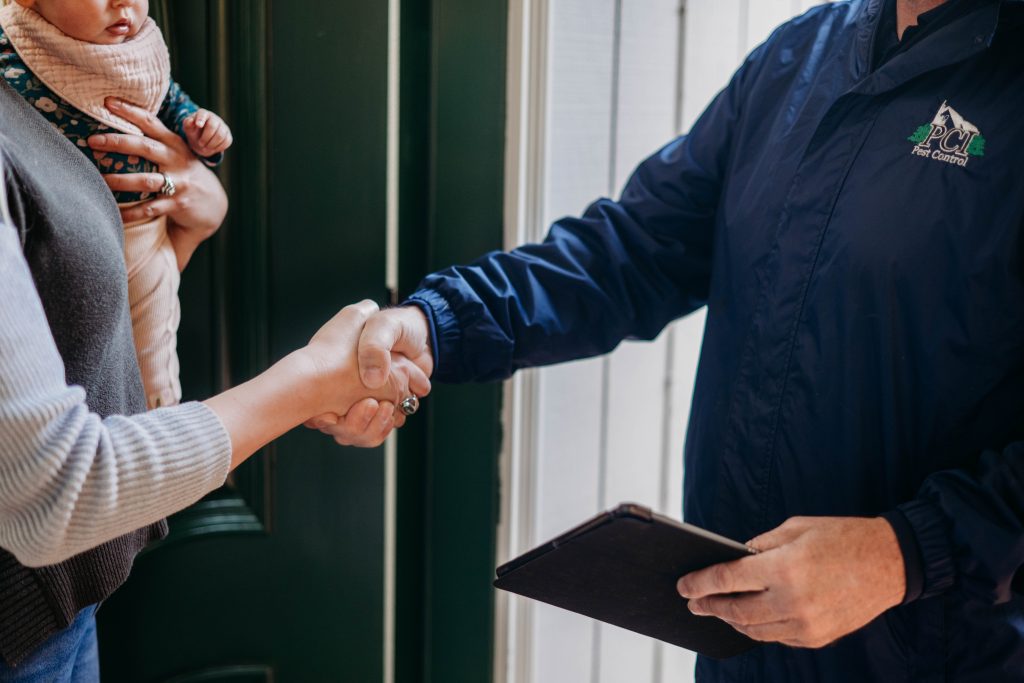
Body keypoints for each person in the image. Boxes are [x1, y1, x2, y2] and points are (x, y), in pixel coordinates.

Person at [320, 0, 1024, 680]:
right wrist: (437, 324)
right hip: (742, 642)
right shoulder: (798, 56)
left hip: (943, 653)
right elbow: (634, 250)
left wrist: (901, 554)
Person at [0, 82, 429, 680]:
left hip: (65, 607)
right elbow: (52, 492)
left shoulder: (44, 85)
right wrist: (313, 378)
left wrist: (184, 232)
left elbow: (64, 332)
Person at [0, 0, 233, 410]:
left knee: (153, 357)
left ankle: (161, 414)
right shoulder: (13, 50)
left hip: (146, 229)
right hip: (67, 241)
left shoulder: (139, 55)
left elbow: (173, 104)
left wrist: (202, 134)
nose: (123, 3)